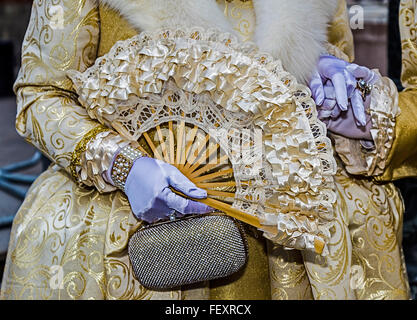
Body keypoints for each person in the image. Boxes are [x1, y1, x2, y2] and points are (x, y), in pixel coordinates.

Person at [0, 0, 411, 300]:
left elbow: (326, 80)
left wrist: (329, 78)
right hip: (148, 234)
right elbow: (42, 93)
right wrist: (123, 166)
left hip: (285, 240)